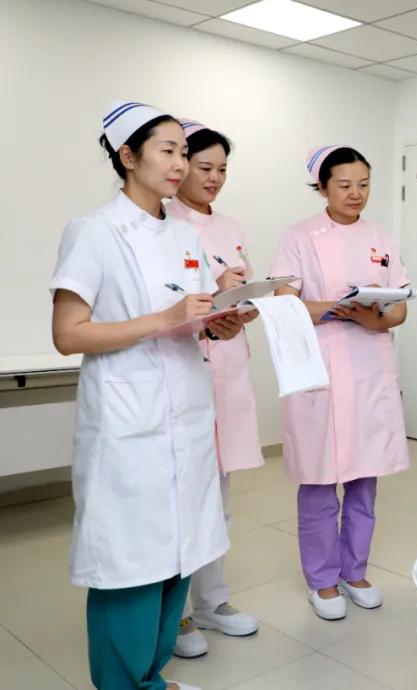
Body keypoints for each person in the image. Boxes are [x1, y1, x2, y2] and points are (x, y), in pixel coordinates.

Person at [51, 100, 254, 690]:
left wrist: (221, 323)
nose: (180, 163)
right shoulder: (94, 231)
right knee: (130, 562)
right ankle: (124, 682)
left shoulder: (185, 235)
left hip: (186, 412)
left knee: (179, 553)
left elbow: (195, 316)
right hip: (126, 422)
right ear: (128, 156)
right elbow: (68, 334)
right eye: (168, 150)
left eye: (183, 152)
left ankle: (151, 677)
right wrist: (164, 318)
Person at [271, 146, 410, 621]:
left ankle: (355, 571)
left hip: (369, 364)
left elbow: (399, 307)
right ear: (323, 187)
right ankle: (322, 579)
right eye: (345, 185)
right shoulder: (298, 236)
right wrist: (336, 309)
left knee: (364, 477)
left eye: (364, 184)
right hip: (321, 368)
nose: (356, 194)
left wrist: (375, 317)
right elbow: (284, 302)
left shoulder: (381, 237)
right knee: (319, 478)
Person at [166, 119, 260, 658]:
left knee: (219, 495)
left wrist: (247, 303)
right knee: (184, 498)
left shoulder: (230, 225)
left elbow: (239, 293)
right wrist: (215, 289)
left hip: (228, 366)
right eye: (204, 167)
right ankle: (175, 615)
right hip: (186, 366)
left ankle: (212, 602)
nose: (214, 178)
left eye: (222, 169)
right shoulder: (164, 222)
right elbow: (169, 300)